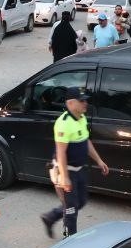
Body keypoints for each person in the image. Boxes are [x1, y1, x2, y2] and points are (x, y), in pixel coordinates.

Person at [40, 88, 109, 238]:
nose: (86, 103)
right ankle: (68, 241)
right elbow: (61, 152)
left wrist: (99, 160)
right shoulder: (63, 123)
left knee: (81, 201)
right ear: (71, 103)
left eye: (86, 100)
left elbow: (86, 141)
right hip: (66, 170)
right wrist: (64, 177)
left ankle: (50, 217)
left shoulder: (81, 117)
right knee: (71, 210)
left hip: (79, 169)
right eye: (82, 100)